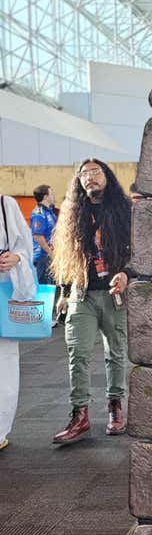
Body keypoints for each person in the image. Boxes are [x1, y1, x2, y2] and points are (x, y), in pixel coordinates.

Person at [50, 160, 131, 445]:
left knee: (116, 353)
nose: (90, 178)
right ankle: (80, 414)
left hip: (114, 295)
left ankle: (115, 408)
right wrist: (63, 293)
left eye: (95, 172)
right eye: (84, 174)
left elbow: (140, 251)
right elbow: (65, 257)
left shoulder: (124, 210)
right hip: (81, 293)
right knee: (78, 355)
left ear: (107, 176)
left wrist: (126, 273)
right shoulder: (72, 213)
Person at [0, 194, 37, 452]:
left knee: (4, 366)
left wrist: (16, 259)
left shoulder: (6, 205)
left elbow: (25, 247)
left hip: (4, 295)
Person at [30, 184, 57, 284]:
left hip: (49, 256)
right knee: (42, 286)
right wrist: (50, 252)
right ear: (46, 196)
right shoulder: (39, 213)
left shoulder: (49, 212)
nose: (53, 196)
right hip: (42, 256)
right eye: (51, 194)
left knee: (51, 285)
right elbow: (37, 236)